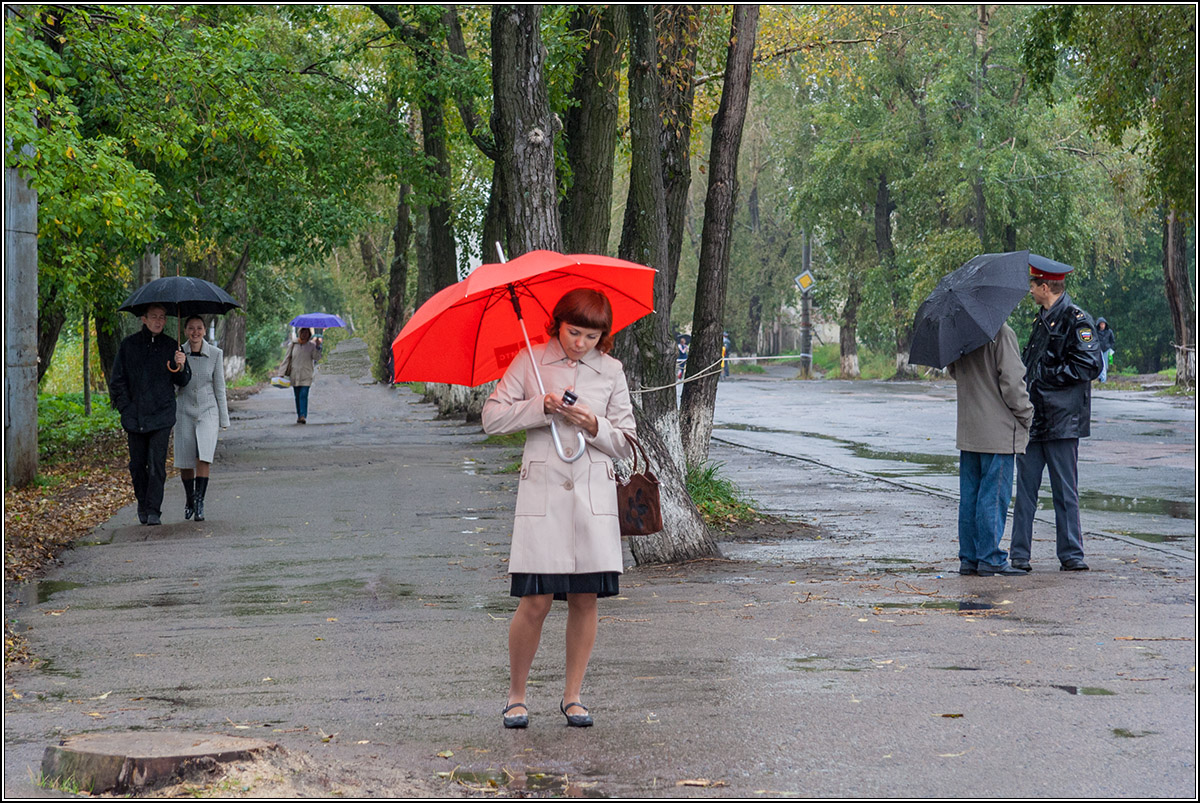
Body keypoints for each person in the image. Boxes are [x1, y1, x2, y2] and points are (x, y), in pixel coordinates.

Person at [481, 288, 635, 730]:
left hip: (591, 498)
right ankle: (516, 697)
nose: (580, 343)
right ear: (557, 325)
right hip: (544, 496)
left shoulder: (611, 372)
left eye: (591, 335)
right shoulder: (530, 361)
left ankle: (573, 697)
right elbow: (491, 418)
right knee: (536, 600)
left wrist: (594, 423)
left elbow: (626, 440)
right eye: (573, 332)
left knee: (586, 598)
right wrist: (539, 406)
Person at [1009, 257, 1104, 572]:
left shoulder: (1077, 320)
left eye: (1033, 285)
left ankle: (1071, 555)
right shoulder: (1042, 319)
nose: (1031, 291)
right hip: (1035, 419)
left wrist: (1046, 375)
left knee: (1065, 491)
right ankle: (1019, 556)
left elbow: (1090, 365)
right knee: (1025, 491)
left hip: (1063, 420)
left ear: (1045, 286)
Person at [948, 324, 1034, 576]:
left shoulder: (959, 333)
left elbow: (955, 370)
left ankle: (970, 558)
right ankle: (990, 557)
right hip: (997, 430)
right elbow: (1012, 382)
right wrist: (1026, 414)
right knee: (993, 497)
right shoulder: (1002, 333)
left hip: (969, 429)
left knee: (970, 497)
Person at [109, 304, 191, 525]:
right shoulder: (129, 345)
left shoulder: (172, 347)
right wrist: (125, 408)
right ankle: (142, 503)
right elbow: (117, 380)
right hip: (134, 416)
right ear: (143, 319)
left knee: (156, 464)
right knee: (137, 465)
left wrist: (182, 366)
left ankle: (154, 510)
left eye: (162, 317)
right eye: (154, 317)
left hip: (161, 415)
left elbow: (182, 381)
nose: (158, 321)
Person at [174, 315, 230, 522]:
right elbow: (174, 385)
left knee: (204, 454)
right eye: (191, 328)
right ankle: (189, 498)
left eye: (199, 328)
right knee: (186, 459)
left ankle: (199, 501)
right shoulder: (179, 352)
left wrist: (224, 419)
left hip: (208, 410)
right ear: (186, 330)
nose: (195, 332)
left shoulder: (215, 354)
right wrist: (178, 366)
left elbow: (220, 388)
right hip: (184, 409)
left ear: (205, 331)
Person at [283, 327, 321, 424]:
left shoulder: (311, 345)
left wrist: (317, 347)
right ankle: (299, 415)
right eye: (302, 332)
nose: (304, 334)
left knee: (303, 395)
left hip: (306, 374)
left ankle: (303, 415)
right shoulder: (293, 344)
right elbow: (287, 359)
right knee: (297, 396)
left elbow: (316, 357)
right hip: (294, 374)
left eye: (306, 333)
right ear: (299, 333)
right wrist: (281, 373)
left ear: (309, 334)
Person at [1095, 318, 1116, 382]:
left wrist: (1110, 347)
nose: (1102, 326)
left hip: (1106, 350)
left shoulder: (1109, 331)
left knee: (1105, 366)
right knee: (1099, 364)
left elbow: (1112, 341)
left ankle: (1103, 379)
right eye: (1101, 324)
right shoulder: (1096, 332)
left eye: (1103, 324)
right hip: (1099, 350)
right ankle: (1101, 378)